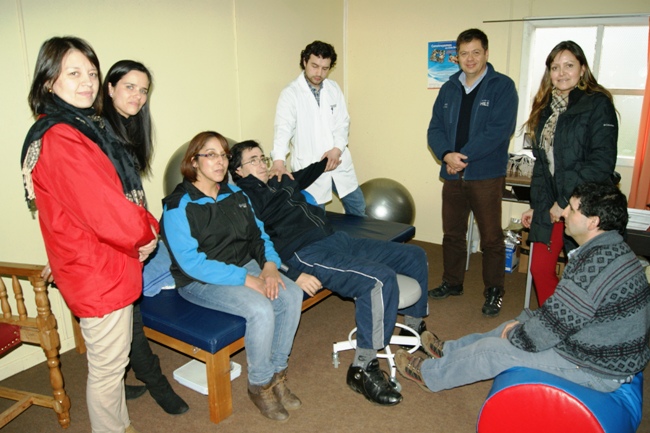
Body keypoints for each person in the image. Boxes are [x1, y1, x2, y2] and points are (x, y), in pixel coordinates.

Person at [21, 37, 158, 433]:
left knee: (110, 363)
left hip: (99, 263)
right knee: (106, 368)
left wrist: (142, 229)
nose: (87, 82)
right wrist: (147, 231)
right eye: (74, 73)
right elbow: (106, 210)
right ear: (49, 82)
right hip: (99, 268)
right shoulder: (62, 137)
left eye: (92, 73)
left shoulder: (81, 127)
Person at [395, 182, 650, 394]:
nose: (563, 214)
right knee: (517, 321)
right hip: (597, 345)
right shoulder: (609, 248)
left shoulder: (595, 265)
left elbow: (551, 328)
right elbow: (564, 312)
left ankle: (429, 375)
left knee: (495, 351)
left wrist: (519, 336)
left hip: (597, 367)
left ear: (593, 222)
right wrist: (522, 325)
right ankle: (449, 351)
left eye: (571, 210)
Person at [229, 140, 430, 406]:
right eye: (252, 160)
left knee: (414, 255)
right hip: (305, 253)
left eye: (262, 158)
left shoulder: (280, 180)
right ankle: (362, 367)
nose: (262, 164)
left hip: (335, 238)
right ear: (238, 172)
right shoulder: (243, 197)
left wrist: (327, 160)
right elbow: (253, 242)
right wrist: (290, 272)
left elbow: (307, 174)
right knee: (378, 279)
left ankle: (411, 332)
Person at [161, 131, 303, 422]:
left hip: (243, 265)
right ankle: (260, 384)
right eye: (210, 154)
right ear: (193, 161)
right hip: (200, 281)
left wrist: (270, 266)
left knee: (292, 294)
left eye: (223, 155)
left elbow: (258, 235)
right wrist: (246, 279)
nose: (220, 161)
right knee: (260, 308)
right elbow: (192, 264)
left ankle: (278, 374)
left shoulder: (235, 194)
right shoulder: (178, 205)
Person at [103, 60, 189, 415]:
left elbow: (127, 194)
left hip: (128, 236)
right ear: (109, 88)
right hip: (108, 242)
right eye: (129, 87)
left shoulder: (126, 132)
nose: (137, 96)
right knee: (130, 317)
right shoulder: (99, 133)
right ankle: (156, 382)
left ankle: (126, 379)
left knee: (128, 313)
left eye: (143, 90)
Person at [427, 28, 518, 317]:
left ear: (486, 54)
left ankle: (494, 291)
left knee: (491, 237)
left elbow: (498, 132)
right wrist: (445, 155)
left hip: (485, 175)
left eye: (476, 52)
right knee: (452, 233)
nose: (470, 58)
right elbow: (435, 129)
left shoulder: (502, 86)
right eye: (464, 53)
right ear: (457, 56)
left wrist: (461, 157)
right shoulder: (448, 88)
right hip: (453, 175)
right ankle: (452, 282)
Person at [521, 41, 618, 306]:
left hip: (585, 206)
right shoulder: (544, 108)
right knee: (539, 269)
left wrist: (564, 201)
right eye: (555, 67)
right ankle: (553, 327)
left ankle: (579, 338)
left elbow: (601, 163)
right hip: (552, 203)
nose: (561, 73)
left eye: (569, 65)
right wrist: (536, 206)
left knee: (583, 279)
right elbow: (542, 165)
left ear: (582, 69)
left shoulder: (597, 104)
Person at [270, 40, 366, 217]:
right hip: (310, 166)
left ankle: (365, 245)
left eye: (325, 68)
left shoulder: (333, 88)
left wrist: (337, 149)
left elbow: (343, 122)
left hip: (338, 162)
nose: (319, 73)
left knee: (358, 210)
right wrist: (278, 161)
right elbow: (283, 128)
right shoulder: (291, 93)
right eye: (314, 66)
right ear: (305, 61)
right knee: (315, 218)